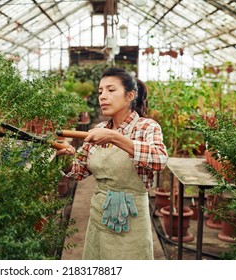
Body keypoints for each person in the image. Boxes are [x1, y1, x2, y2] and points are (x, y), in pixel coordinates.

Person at [56, 67, 168, 260]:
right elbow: (79, 171)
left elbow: (160, 159)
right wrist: (66, 157)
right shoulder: (99, 130)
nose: (103, 96)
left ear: (130, 95)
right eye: (100, 91)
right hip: (99, 215)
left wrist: (115, 137)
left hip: (131, 221)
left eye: (111, 90)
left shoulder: (146, 127)